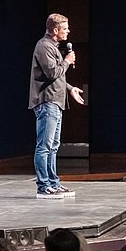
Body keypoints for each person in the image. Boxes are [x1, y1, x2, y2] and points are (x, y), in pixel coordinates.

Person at [28, 13, 85, 197]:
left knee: (53, 146)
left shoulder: (53, 47)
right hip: (47, 102)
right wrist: (67, 61)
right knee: (44, 146)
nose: (68, 31)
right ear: (55, 30)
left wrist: (70, 88)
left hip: (56, 102)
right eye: (65, 28)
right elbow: (52, 73)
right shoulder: (43, 46)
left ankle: (53, 182)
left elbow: (57, 76)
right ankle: (43, 186)